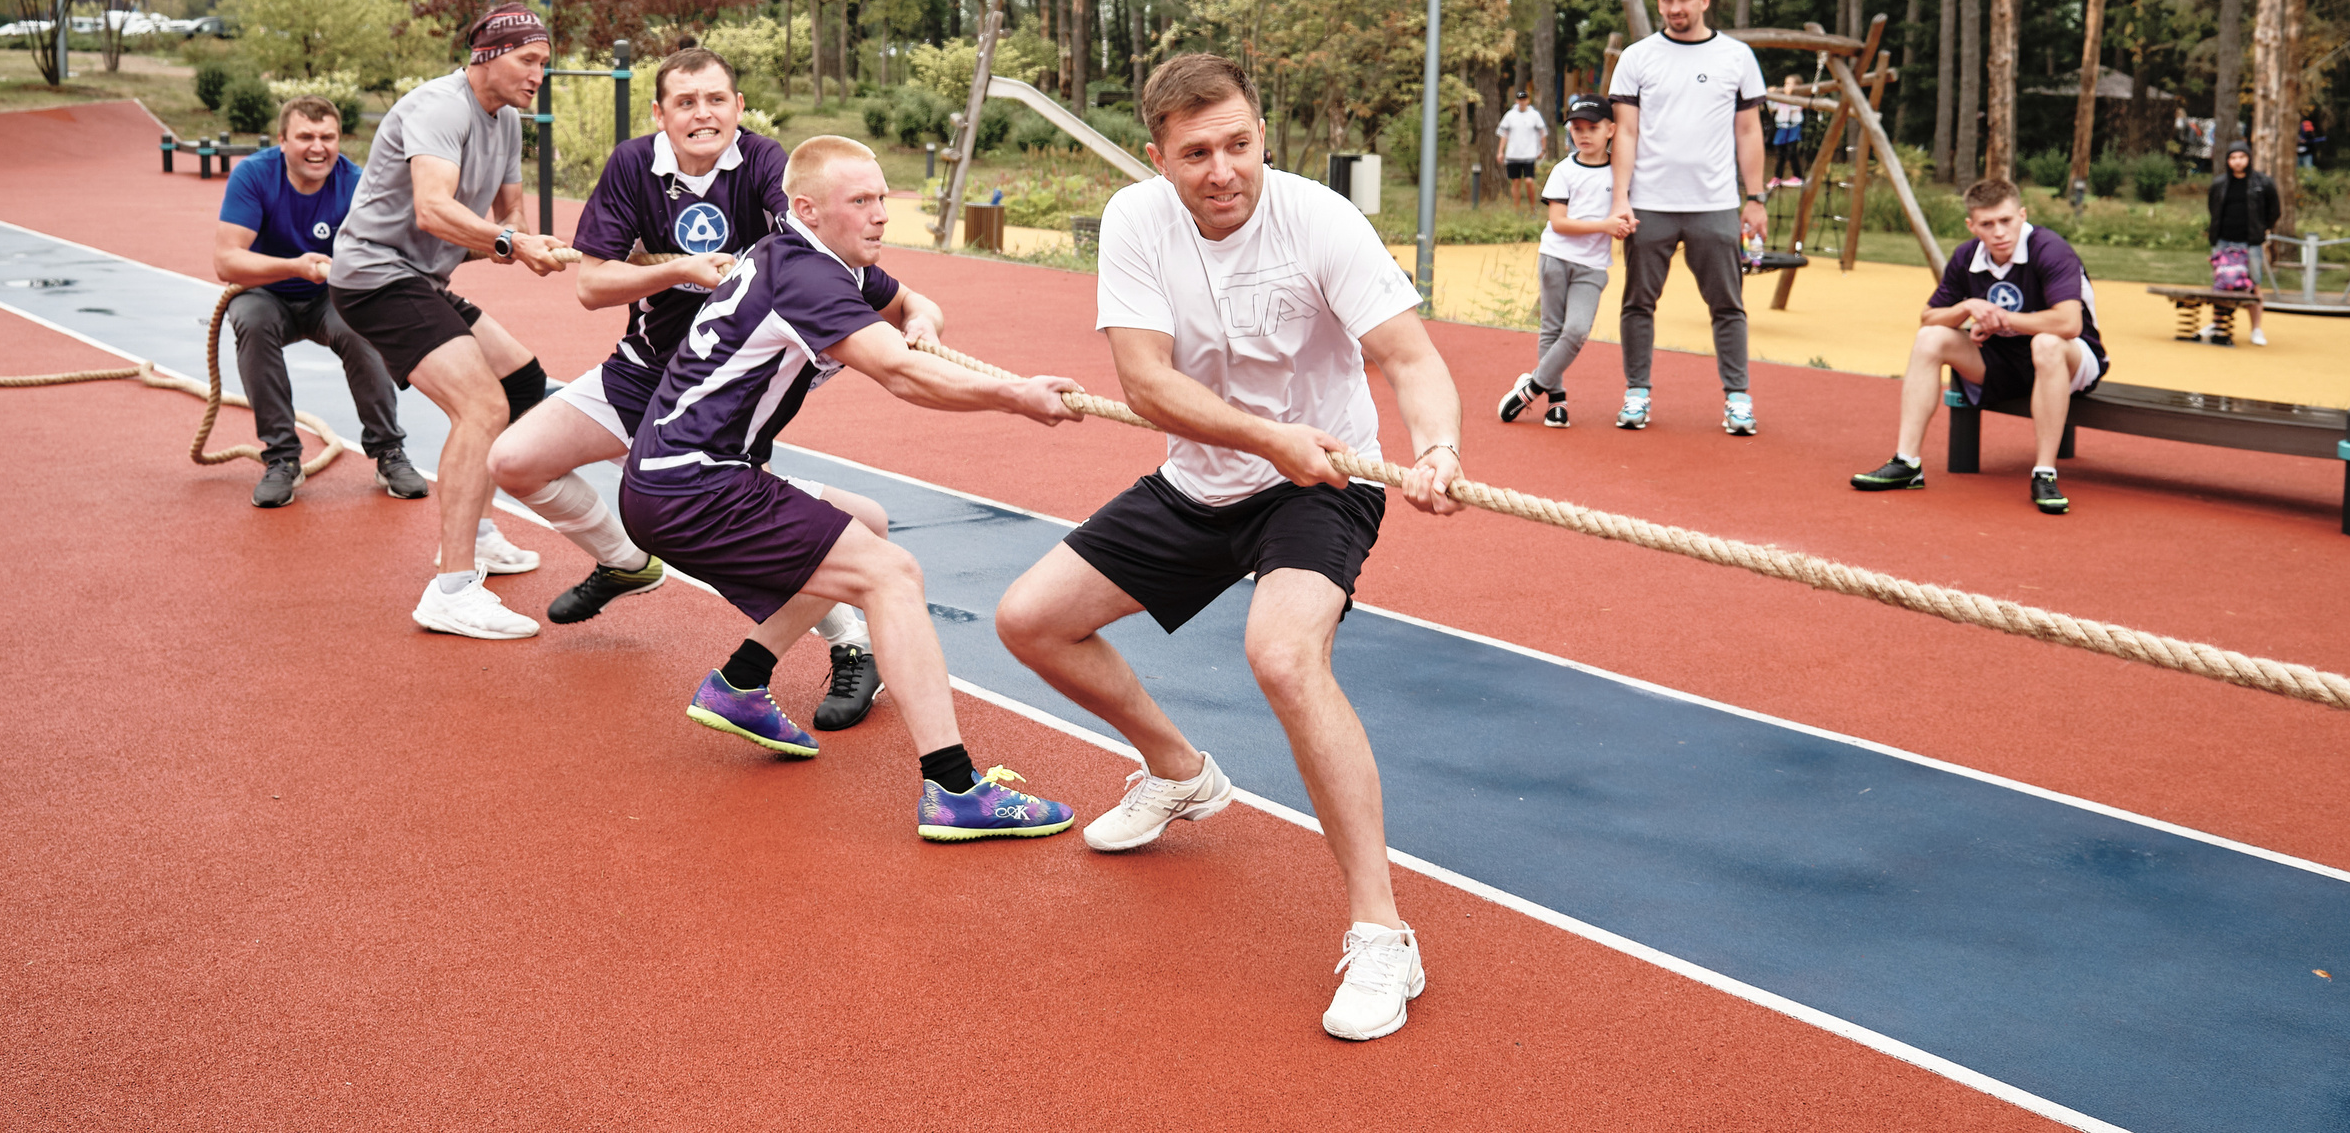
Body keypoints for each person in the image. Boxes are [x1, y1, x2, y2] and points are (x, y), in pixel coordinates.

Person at [994, 53, 1466, 1043]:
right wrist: (1263, 437)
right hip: (1208, 479)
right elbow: (1144, 384)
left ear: (1263, 137)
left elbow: (1409, 356)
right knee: (1030, 622)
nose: (1223, 171)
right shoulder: (1137, 222)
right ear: (1158, 156)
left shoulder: (1318, 221)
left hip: (1322, 484)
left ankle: (1382, 932)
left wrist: (1437, 448)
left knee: (1282, 658)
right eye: (1197, 152)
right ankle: (1178, 771)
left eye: (1240, 145)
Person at [616, 134, 1085, 841]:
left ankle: (742, 681)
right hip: (693, 485)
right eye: (859, 201)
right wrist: (1016, 394)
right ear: (807, 206)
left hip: (684, 474)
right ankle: (954, 787)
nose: (879, 215)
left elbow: (912, 304)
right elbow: (898, 374)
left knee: (865, 521)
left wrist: (920, 319)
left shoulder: (815, 256)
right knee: (890, 575)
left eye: (881, 198)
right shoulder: (804, 276)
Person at [488, 46, 880, 724]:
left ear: (738, 107)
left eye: (716, 99)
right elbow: (592, 284)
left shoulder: (765, 164)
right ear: (660, 114)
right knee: (514, 461)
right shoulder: (633, 166)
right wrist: (678, 270)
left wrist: (907, 307)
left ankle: (852, 643)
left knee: (732, 536)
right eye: (686, 102)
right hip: (640, 371)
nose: (703, 113)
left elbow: (813, 252)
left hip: (720, 391)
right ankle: (623, 560)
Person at [329, 5, 576, 640]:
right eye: (528, 60)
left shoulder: (510, 120)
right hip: (374, 277)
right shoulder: (439, 107)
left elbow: (507, 219)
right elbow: (435, 210)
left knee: (521, 383)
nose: (538, 75)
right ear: (488, 56)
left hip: (420, 280)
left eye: (544, 63)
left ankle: (480, 529)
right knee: (481, 407)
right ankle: (452, 590)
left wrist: (531, 243)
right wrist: (512, 245)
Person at [212, 95, 428, 508]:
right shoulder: (253, 176)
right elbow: (227, 261)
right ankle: (281, 458)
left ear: (339, 140)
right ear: (281, 141)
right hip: (267, 293)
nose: (318, 147)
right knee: (251, 323)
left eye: (328, 137)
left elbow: (387, 250)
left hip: (332, 296)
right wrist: (294, 266)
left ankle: (387, 451)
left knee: (365, 325)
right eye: (305, 136)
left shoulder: (355, 184)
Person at [1850, 176, 2108, 515]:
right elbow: (1928, 317)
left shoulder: (2050, 248)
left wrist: (2001, 319)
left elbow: (2069, 324)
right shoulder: (1966, 256)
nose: (1999, 232)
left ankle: (2044, 472)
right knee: (1931, 338)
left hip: (2073, 360)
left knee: (2046, 343)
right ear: (1972, 226)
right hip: (2003, 360)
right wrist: (1967, 307)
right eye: (1987, 224)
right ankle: (1907, 462)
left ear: (2022, 215)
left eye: (2006, 220)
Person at [1606, 0, 1771, 436]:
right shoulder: (1638, 57)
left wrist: (1755, 197)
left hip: (1714, 204)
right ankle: (1637, 393)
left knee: (1727, 304)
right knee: (1638, 302)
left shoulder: (1736, 57)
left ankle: (1738, 399)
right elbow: (1628, 132)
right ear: (1659, 3)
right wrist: (1621, 197)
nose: (1675, 7)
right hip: (1650, 203)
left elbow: (1747, 131)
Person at [1499, 95, 1632, 430]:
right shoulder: (1564, 170)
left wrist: (1624, 225)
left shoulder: (1621, 170)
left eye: (1593, 128)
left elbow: (1625, 209)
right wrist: (1605, 225)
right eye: (1577, 128)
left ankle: (1531, 389)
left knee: (1575, 331)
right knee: (1552, 329)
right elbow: (1559, 222)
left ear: (1611, 129)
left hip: (1592, 267)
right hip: (1556, 258)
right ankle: (1556, 401)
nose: (1584, 135)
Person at [2206, 139, 2279, 347]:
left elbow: (2274, 210)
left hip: (2251, 243)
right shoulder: (2220, 184)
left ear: (2248, 159)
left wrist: (2262, 229)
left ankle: (2256, 328)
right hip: (2223, 240)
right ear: (2228, 161)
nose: (2237, 162)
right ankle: (2218, 324)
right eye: (2233, 158)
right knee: (2221, 284)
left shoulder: (2262, 183)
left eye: (2242, 157)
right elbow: (2213, 209)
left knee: (2254, 284)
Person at [1492, 88, 1548, 209]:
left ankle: (1532, 207)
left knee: (1529, 181)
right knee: (1515, 182)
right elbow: (1504, 135)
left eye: (1524, 99)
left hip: (1529, 153)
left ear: (1528, 100)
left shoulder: (1534, 115)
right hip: (1513, 154)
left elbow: (1542, 133)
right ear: (1516, 100)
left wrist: (1543, 149)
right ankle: (1516, 209)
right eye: (1520, 100)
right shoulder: (1510, 115)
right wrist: (1500, 151)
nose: (1522, 102)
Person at [1769, 75, 1806, 187]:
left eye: (1790, 84)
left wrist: (1789, 95)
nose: (1786, 86)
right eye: (1785, 83)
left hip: (1793, 127)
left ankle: (1798, 177)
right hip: (1782, 127)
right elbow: (1772, 107)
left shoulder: (1799, 98)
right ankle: (1778, 177)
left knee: (1791, 152)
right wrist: (1771, 95)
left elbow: (1795, 108)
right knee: (1780, 153)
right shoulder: (1782, 98)